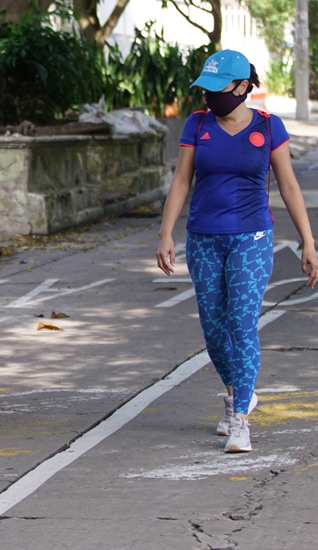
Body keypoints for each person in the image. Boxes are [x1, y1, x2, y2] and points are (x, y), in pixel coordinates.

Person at [157, 50, 318, 453]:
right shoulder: (197, 124)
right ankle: (237, 392)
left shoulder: (268, 126)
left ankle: (240, 418)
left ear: (243, 87)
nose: (211, 96)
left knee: (242, 323)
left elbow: (290, 187)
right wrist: (165, 233)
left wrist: (308, 240)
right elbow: (181, 181)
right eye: (206, 89)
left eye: (219, 88)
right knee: (214, 331)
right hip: (204, 238)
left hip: (252, 238)